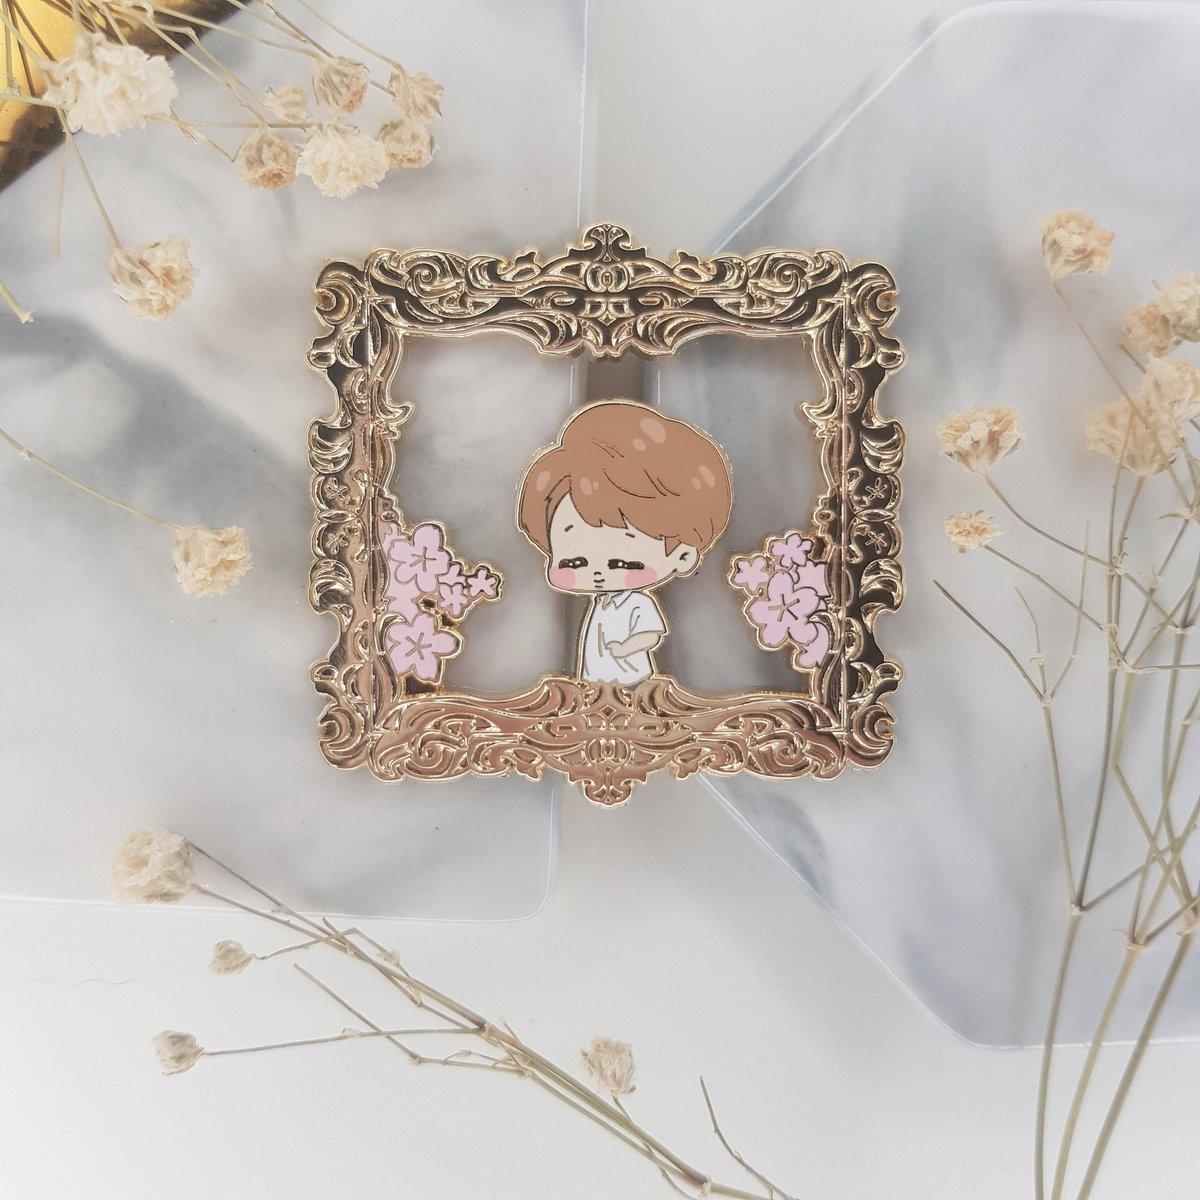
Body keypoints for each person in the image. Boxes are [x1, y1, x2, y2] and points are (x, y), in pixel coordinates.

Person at [517, 400, 732, 685]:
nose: (597, 573)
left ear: (683, 556)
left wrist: (626, 648)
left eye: (622, 563)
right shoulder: (601, 602)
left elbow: (651, 634)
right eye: (574, 562)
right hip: (593, 685)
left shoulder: (638, 603)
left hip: (635, 684)